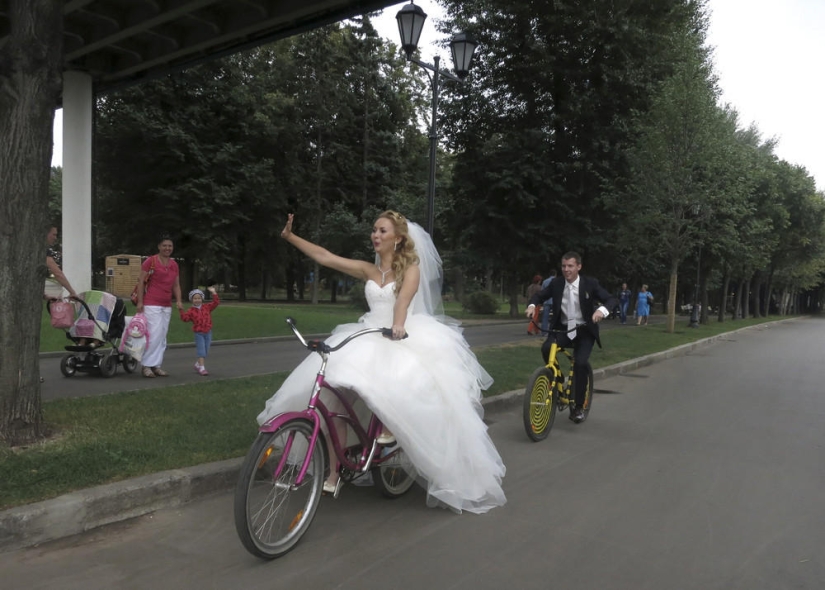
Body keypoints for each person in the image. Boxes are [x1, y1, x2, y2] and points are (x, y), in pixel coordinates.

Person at [257, 211, 506, 514]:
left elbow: (402, 301)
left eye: (382, 231)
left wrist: (397, 325)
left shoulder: (411, 269)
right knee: (332, 398)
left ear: (398, 238)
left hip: (398, 334)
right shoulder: (369, 270)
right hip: (367, 334)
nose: (376, 235)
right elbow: (326, 257)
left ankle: (388, 426)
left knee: (393, 379)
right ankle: (334, 472)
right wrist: (290, 236)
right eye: (374, 230)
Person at [525, 252, 617, 424]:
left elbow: (611, 299)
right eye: (564, 266)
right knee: (546, 348)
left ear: (579, 267)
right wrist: (532, 306)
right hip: (563, 329)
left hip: (584, 331)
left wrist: (601, 311)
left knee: (580, 363)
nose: (566, 270)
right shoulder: (557, 283)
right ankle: (557, 379)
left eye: (570, 266)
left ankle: (579, 407)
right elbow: (539, 296)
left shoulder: (590, 283)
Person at [136, 235, 183, 377]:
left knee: (162, 336)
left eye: (170, 246)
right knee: (153, 334)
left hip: (166, 304)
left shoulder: (174, 264)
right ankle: (146, 365)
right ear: (159, 246)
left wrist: (179, 300)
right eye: (164, 245)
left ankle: (156, 365)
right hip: (152, 303)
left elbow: (176, 285)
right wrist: (140, 302)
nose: (167, 248)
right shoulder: (150, 261)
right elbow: (141, 282)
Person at [180, 286, 220, 376]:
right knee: (201, 351)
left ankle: (198, 364)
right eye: (195, 298)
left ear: (202, 299)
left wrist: (214, 293)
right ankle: (202, 367)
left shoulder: (207, 307)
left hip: (208, 332)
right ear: (191, 300)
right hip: (199, 333)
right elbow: (185, 319)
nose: (197, 300)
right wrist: (181, 310)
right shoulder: (191, 311)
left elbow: (216, 303)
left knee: (206, 351)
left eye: (199, 298)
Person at [45, 225, 78, 300]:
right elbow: (57, 273)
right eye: (54, 234)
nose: (55, 238)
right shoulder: (43, 250)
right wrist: (72, 292)